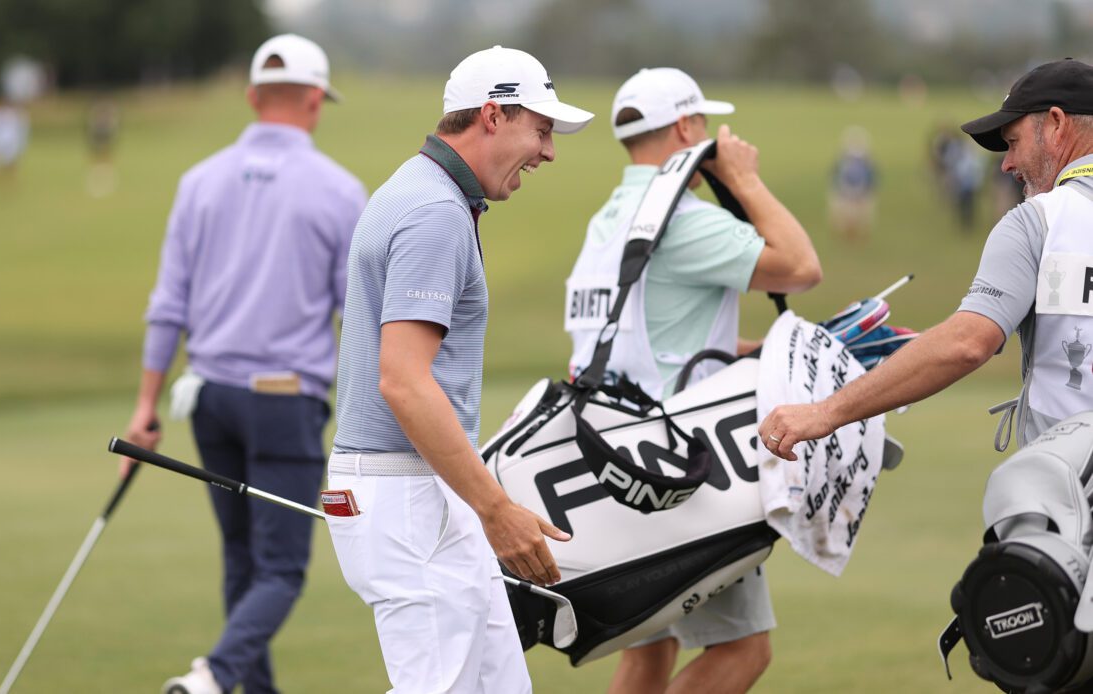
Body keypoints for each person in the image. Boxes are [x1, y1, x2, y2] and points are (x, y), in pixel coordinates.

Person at [324, 46, 593, 693]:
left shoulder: (426, 192)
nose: (549, 151)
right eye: (542, 129)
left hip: (422, 490)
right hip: (403, 493)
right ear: (494, 116)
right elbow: (403, 381)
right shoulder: (434, 212)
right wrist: (496, 509)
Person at [121, 33, 367, 694]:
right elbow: (359, 319)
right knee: (281, 569)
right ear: (316, 101)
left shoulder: (197, 181)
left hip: (210, 400)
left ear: (254, 97)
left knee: (241, 557)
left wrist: (145, 408)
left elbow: (168, 302)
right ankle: (214, 678)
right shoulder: (342, 192)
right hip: (286, 404)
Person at [564, 67, 822, 694]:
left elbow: (647, 332)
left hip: (621, 458)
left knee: (647, 656)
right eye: (702, 124)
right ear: (685, 127)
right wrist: (743, 179)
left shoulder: (611, 217)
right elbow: (801, 267)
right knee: (743, 650)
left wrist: (755, 351)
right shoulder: (681, 218)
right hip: (683, 470)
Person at [759, 58, 1093, 462]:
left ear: (1056, 124)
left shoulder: (1040, 219)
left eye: (1013, 142)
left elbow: (968, 342)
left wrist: (825, 412)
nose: (1006, 165)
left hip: (1073, 492)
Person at [828, 125, 877, 243]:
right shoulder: (842, 162)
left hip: (860, 193)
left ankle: (858, 237)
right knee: (846, 217)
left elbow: (871, 179)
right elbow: (836, 177)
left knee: (861, 216)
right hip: (846, 192)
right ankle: (849, 236)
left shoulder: (866, 162)